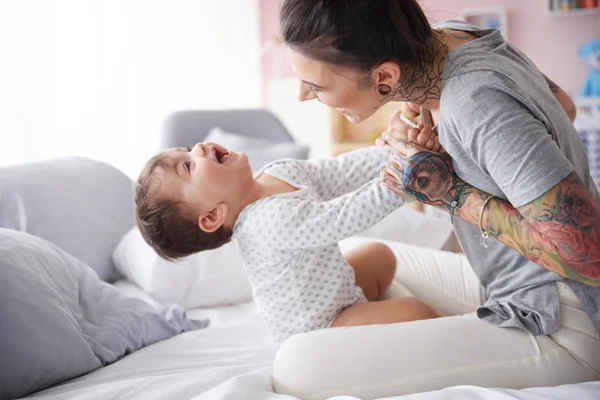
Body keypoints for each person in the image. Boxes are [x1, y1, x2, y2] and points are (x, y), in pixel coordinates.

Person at [273, 0, 600, 398]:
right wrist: (417, 115)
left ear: (385, 76)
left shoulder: (475, 101)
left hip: (564, 321)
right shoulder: (453, 35)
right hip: (507, 285)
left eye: (317, 85)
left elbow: (587, 255)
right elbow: (560, 106)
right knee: (362, 250)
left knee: (296, 365)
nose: (304, 96)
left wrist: (449, 192)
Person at [133, 139, 440, 344]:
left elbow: (342, 172)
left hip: (335, 292)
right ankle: (470, 340)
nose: (197, 147)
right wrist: (404, 181)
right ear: (213, 216)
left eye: (186, 150)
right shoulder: (266, 223)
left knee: (380, 256)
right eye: (187, 166)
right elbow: (347, 214)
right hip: (316, 334)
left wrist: (397, 152)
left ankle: (368, 311)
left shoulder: (277, 172)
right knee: (416, 313)